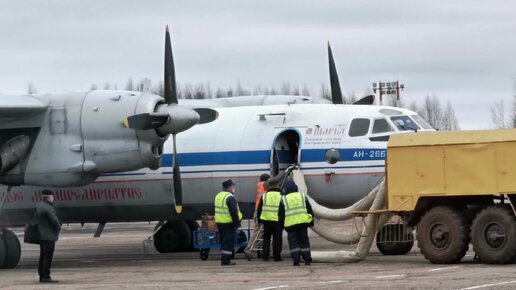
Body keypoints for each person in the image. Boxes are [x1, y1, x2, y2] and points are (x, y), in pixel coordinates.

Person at [279, 180, 314, 266]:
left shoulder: (284, 200)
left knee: (293, 243)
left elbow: (281, 215)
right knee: (304, 242)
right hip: (303, 224)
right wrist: (310, 222)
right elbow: (310, 210)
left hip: (290, 226)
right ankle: (307, 259)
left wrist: (281, 227)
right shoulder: (302, 196)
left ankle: (296, 260)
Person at [256, 174, 285, 262]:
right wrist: (283, 222)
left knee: (266, 238)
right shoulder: (281, 196)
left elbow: (259, 209)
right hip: (277, 221)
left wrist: (259, 220)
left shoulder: (264, 196)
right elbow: (283, 210)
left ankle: (265, 256)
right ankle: (277, 256)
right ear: (277, 185)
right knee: (277, 239)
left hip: (266, 221)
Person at [35, 189, 61, 283]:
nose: (53, 198)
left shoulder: (39, 206)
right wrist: (58, 228)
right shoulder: (48, 208)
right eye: (52, 196)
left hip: (41, 235)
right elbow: (54, 220)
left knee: (42, 256)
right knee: (48, 256)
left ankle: (42, 275)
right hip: (49, 235)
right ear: (49, 197)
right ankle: (46, 276)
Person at [214, 179, 242, 266]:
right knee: (228, 242)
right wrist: (237, 224)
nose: (234, 187)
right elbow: (234, 212)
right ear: (229, 187)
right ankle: (226, 261)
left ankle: (225, 259)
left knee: (223, 241)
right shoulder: (230, 197)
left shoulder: (218, 195)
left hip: (220, 222)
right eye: (233, 186)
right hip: (228, 223)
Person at [243, 173, 270, 260]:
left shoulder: (260, 185)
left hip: (259, 210)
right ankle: (248, 250)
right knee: (257, 232)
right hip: (260, 211)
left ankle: (260, 251)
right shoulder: (263, 185)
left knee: (260, 233)